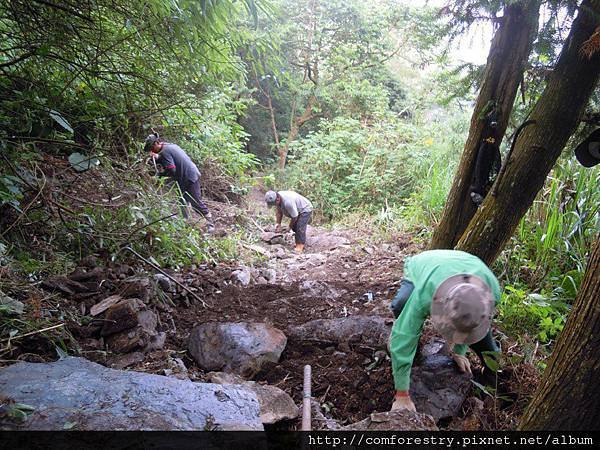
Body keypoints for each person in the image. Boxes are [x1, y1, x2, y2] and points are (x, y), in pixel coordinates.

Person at [388, 249, 501, 412]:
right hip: (424, 264)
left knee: (490, 350)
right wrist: (402, 395)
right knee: (401, 305)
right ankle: (414, 353)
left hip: (468, 263)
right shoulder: (426, 294)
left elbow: (474, 324)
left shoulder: (492, 292)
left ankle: (492, 381)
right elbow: (404, 335)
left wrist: (460, 351)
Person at [144, 133, 214, 233]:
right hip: (188, 175)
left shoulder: (164, 152)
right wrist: (158, 157)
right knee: (181, 200)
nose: (151, 151)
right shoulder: (169, 146)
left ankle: (210, 223)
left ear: (156, 143)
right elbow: (171, 158)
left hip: (189, 177)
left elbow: (171, 170)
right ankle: (185, 222)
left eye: (151, 148)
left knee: (195, 201)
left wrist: (159, 175)